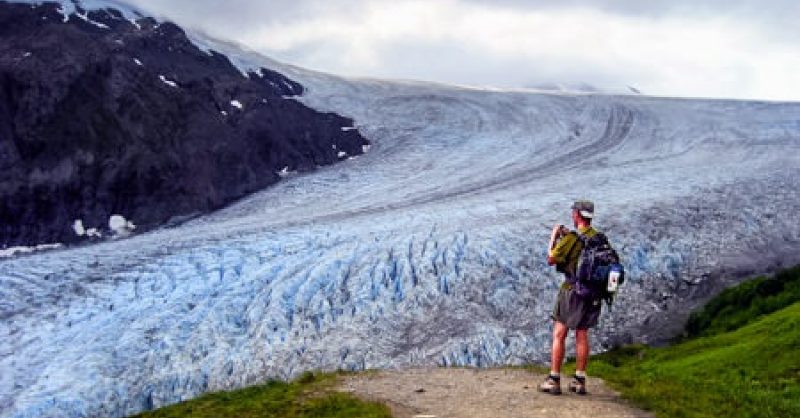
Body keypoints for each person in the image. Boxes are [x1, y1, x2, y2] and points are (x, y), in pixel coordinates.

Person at [538, 200, 604, 395]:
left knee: (559, 334)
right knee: (582, 335)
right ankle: (579, 380)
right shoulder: (598, 237)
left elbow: (551, 259)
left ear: (576, 215)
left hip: (572, 292)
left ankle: (554, 379)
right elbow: (582, 246)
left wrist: (554, 236)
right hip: (592, 292)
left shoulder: (571, 239)